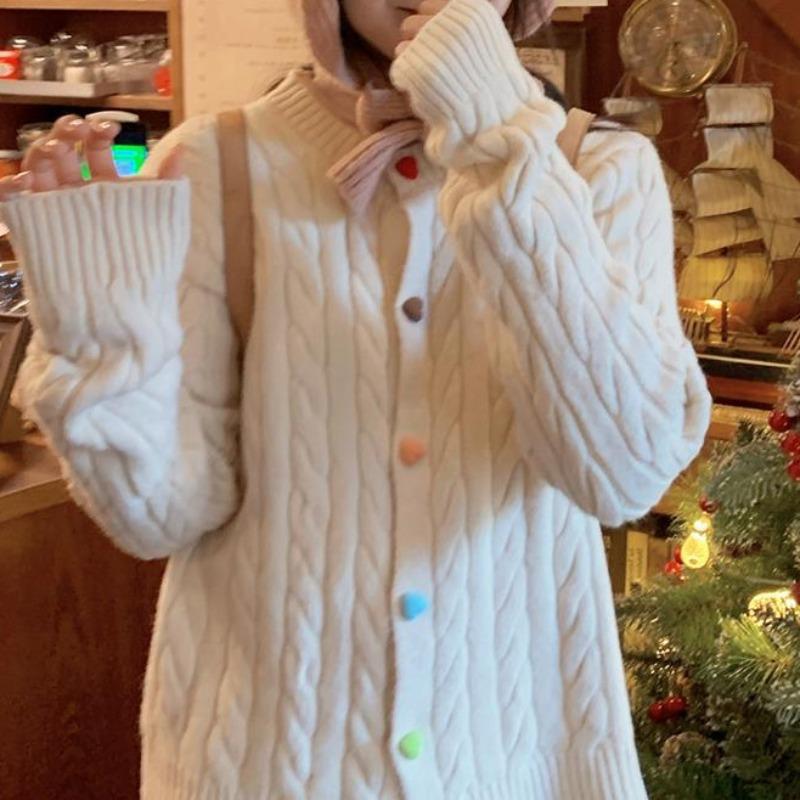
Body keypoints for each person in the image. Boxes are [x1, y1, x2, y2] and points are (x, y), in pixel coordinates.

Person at [0, 0, 711, 797]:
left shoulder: (596, 168)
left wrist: (500, 144)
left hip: (515, 763)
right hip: (267, 765)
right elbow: (161, 515)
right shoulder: (213, 164)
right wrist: (101, 328)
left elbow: (624, 472)